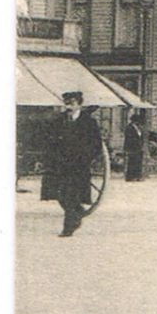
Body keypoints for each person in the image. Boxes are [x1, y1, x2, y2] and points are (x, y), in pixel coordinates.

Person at [42, 91, 103, 237]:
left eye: (72, 103)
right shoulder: (59, 120)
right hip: (60, 165)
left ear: (80, 104)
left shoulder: (89, 122)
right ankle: (77, 212)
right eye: (67, 103)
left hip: (79, 166)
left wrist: (85, 158)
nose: (69, 106)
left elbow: (96, 144)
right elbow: (50, 141)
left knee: (72, 195)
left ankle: (69, 226)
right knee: (60, 195)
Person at [123, 110, 148, 182]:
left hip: (138, 147)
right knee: (132, 162)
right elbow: (129, 138)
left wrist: (141, 145)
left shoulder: (138, 128)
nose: (138, 122)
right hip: (132, 147)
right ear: (134, 121)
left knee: (138, 162)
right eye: (137, 121)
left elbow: (141, 137)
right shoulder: (129, 127)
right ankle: (130, 177)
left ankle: (138, 176)